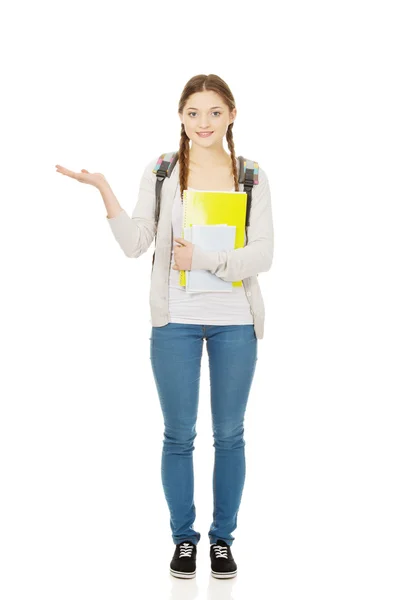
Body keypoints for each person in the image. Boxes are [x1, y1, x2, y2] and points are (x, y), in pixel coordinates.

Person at [55, 73, 274, 580]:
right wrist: (104, 189)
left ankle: (222, 539)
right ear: (180, 115)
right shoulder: (162, 170)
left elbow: (263, 254)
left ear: (232, 115)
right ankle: (183, 539)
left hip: (234, 322)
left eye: (215, 112)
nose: (204, 122)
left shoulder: (252, 175)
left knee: (229, 434)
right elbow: (136, 243)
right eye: (194, 112)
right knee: (178, 435)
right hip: (174, 320)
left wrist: (206, 257)